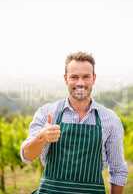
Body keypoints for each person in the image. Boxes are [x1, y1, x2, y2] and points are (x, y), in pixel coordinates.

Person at [20, 51, 128, 194]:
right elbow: (27, 156)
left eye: (86, 77)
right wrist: (42, 137)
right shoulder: (47, 113)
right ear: (66, 79)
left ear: (94, 78)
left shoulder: (110, 120)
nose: (80, 83)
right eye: (74, 77)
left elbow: (118, 170)